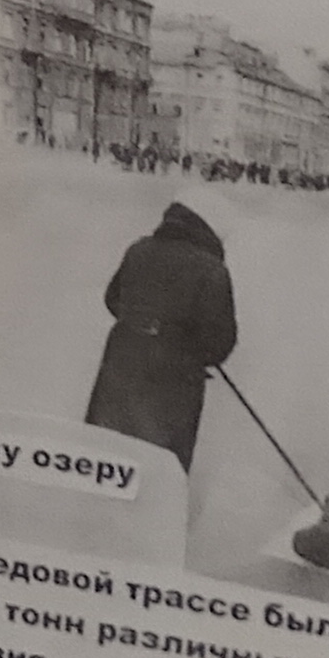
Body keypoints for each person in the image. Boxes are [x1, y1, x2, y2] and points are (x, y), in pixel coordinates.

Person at [85, 200, 241, 467]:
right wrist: (187, 346)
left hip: (121, 358)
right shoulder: (212, 270)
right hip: (174, 379)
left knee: (106, 450)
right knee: (159, 463)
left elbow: (113, 299)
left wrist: (139, 322)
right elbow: (219, 342)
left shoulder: (138, 249)